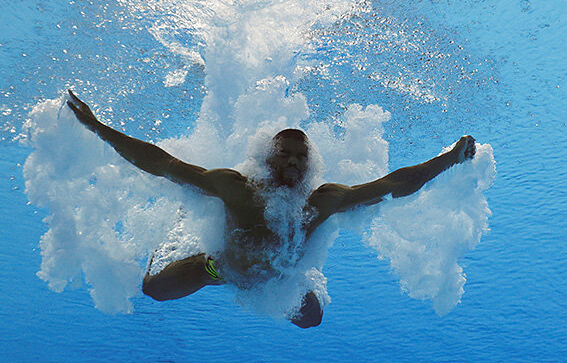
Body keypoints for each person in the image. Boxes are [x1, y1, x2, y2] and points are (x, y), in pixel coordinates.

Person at [66, 90, 477, 328]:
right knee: (153, 289)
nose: (294, 162)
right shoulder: (235, 188)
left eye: (302, 157)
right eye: (285, 154)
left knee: (313, 320)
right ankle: (185, 240)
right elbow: (162, 164)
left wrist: (448, 159)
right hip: (222, 267)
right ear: (267, 158)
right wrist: (99, 127)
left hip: (282, 277)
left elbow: (392, 185)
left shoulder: (323, 200)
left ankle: (282, 278)